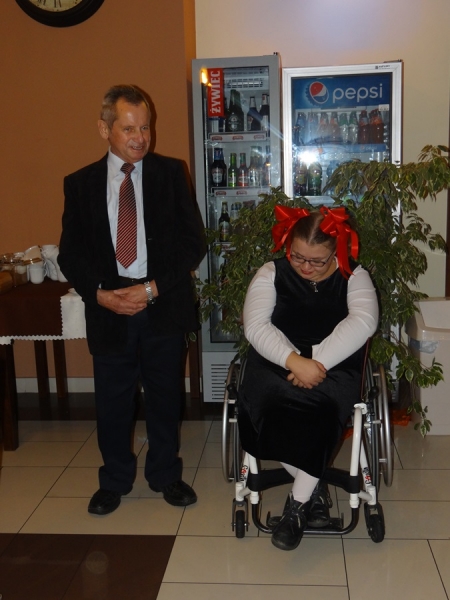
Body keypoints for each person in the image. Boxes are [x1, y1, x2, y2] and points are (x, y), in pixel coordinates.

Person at [58, 84, 206, 516]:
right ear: (104, 129)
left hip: (161, 301)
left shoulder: (170, 173)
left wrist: (151, 288)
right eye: (129, 128)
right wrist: (100, 295)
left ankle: (165, 475)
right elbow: (71, 254)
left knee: (165, 397)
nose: (140, 137)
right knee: (112, 402)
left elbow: (192, 243)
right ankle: (115, 480)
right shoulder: (80, 184)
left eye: (145, 127)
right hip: (109, 307)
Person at [238, 204, 379, 551]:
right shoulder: (271, 272)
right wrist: (293, 361)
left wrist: (315, 363)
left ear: (336, 252)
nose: (304, 267)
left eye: (317, 261)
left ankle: (296, 508)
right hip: (274, 362)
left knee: (320, 414)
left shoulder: (354, 276)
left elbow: (362, 321)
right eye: (297, 256)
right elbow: (256, 325)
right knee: (269, 409)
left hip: (334, 365)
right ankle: (313, 488)